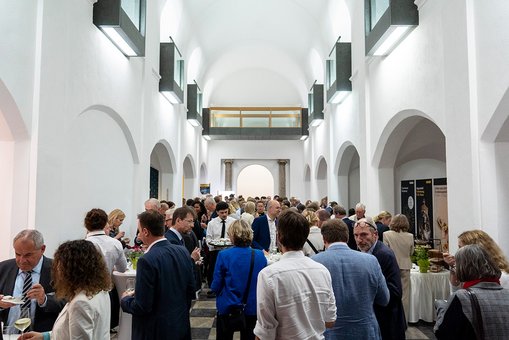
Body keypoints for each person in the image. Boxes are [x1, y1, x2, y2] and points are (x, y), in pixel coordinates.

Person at [254, 210, 336, 340]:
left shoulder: (269, 275)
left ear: (279, 237)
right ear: (306, 236)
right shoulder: (322, 271)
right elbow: (330, 321)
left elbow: (265, 332)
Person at [121, 210, 195, 339]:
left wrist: (125, 300)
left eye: (139, 231)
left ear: (145, 232)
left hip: (156, 330)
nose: (138, 235)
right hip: (180, 324)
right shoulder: (182, 251)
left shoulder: (147, 260)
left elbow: (142, 306)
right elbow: (191, 289)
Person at [312, 219, 389, 339]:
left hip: (329, 334)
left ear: (324, 239)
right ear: (347, 238)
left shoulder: (314, 263)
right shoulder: (371, 261)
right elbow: (384, 299)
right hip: (365, 333)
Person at [22, 240, 112, 339]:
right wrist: (45, 336)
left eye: (59, 266)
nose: (57, 271)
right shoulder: (100, 291)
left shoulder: (80, 302)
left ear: (71, 269)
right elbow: (71, 331)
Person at [435, 244, 509, 339]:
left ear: (464, 267)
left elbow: (442, 333)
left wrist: (441, 308)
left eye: (456, 265)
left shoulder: (463, 297)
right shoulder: (506, 293)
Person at [211, 220, 267, 340]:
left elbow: (216, 285)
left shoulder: (224, 255)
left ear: (232, 235)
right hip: (252, 305)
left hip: (228, 305)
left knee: (224, 337)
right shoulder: (259, 255)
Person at [0, 230, 64, 333]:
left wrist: (45, 299)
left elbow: (68, 302)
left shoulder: (58, 270)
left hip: (42, 336)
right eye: (18, 254)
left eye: (28, 255)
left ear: (42, 249)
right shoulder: (3, 268)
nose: (22, 260)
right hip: (8, 335)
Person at [354, 219, 406, 340]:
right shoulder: (364, 251)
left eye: (364, 234)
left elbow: (395, 292)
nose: (359, 239)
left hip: (388, 320)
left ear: (375, 234)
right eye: (356, 235)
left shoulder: (383, 255)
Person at [84, 208, 127, 331]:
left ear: (86, 225)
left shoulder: (82, 243)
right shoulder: (115, 243)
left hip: (86, 291)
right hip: (106, 289)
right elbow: (122, 268)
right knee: (104, 328)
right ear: (105, 224)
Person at [444, 229, 509, 289]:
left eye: (460, 248)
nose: (458, 251)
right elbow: (456, 287)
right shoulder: (474, 271)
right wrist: (453, 265)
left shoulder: (501, 276)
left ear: (475, 249)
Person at [382, 214, 414, 322]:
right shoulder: (410, 236)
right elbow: (411, 252)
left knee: (391, 292)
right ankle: (403, 321)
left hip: (391, 266)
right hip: (405, 266)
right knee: (405, 295)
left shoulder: (386, 235)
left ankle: (392, 319)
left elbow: (385, 251)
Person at [205, 201, 236, 297]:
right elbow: (208, 238)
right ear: (217, 212)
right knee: (214, 269)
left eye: (226, 212)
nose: (224, 214)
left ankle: (227, 288)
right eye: (222, 213)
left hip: (229, 249)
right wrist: (212, 245)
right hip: (216, 250)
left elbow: (235, 236)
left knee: (229, 270)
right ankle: (214, 288)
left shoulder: (233, 221)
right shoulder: (212, 223)